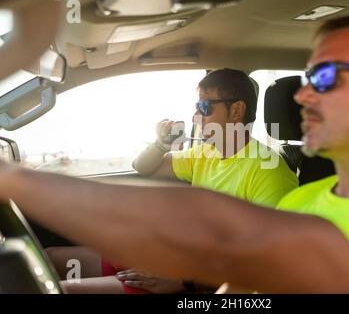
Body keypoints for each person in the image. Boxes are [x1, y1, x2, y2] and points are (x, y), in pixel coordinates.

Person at [1, 15, 349, 293]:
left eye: (328, 78)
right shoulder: (303, 203)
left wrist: (16, 180)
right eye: (308, 78)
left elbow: (227, 236)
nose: (303, 96)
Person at [46, 68, 298, 294]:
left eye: (204, 108)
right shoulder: (206, 153)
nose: (195, 118)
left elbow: (268, 262)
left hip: (194, 280)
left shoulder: (268, 171)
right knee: (47, 259)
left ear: (236, 110)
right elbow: (143, 167)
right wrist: (161, 143)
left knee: (63, 290)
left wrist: (183, 281)